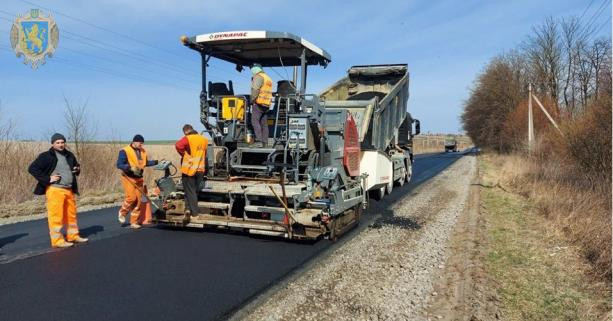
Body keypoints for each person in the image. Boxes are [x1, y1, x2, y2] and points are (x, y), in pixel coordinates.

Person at [28, 133, 88, 248]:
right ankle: (57, 240)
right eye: (58, 142)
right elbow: (32, 168)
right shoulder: (46, 156)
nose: (61, 145)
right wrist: (47, 179)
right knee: (56, 216)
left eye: (62, 142)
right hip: (55, 190)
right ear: (53, 144)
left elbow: (76, 166)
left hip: (69, 189)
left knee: (71, 215)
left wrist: (77, 169)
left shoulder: (69, 155)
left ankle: (73, 236)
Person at [116, 134, 158, 229]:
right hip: (129, 177)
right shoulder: (124, 151)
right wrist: (129, 168)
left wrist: (156, 162)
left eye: (142, 143)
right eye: (140, 143)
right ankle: (122, 213)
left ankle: (134, 222)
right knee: (131, 198)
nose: (141, 145)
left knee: (138, 201)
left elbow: (145, 163)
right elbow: (119, 164)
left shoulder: (143, 151)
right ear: (134, 142)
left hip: (139, 178)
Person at [175, 124, 208, 223]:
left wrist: (184, 154)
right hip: (200, 169)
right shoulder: (204, 139)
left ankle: (194, 214)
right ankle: (187, 209)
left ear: (186, 131)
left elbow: (178, 145)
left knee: (190, 191)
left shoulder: (188, 138)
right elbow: (204, 154)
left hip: (189, 169)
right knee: (193, 191)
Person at [250, 63, 273, 147]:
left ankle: (259, 141)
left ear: (256, 68)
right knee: (264, 124)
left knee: (255, 121)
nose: (251, 71)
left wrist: (251, 100)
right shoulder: (268, 78)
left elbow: (255, 89)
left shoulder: (258, 76)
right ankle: (265, 143)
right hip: (266, 104)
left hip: (258, 103)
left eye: (252, 68)